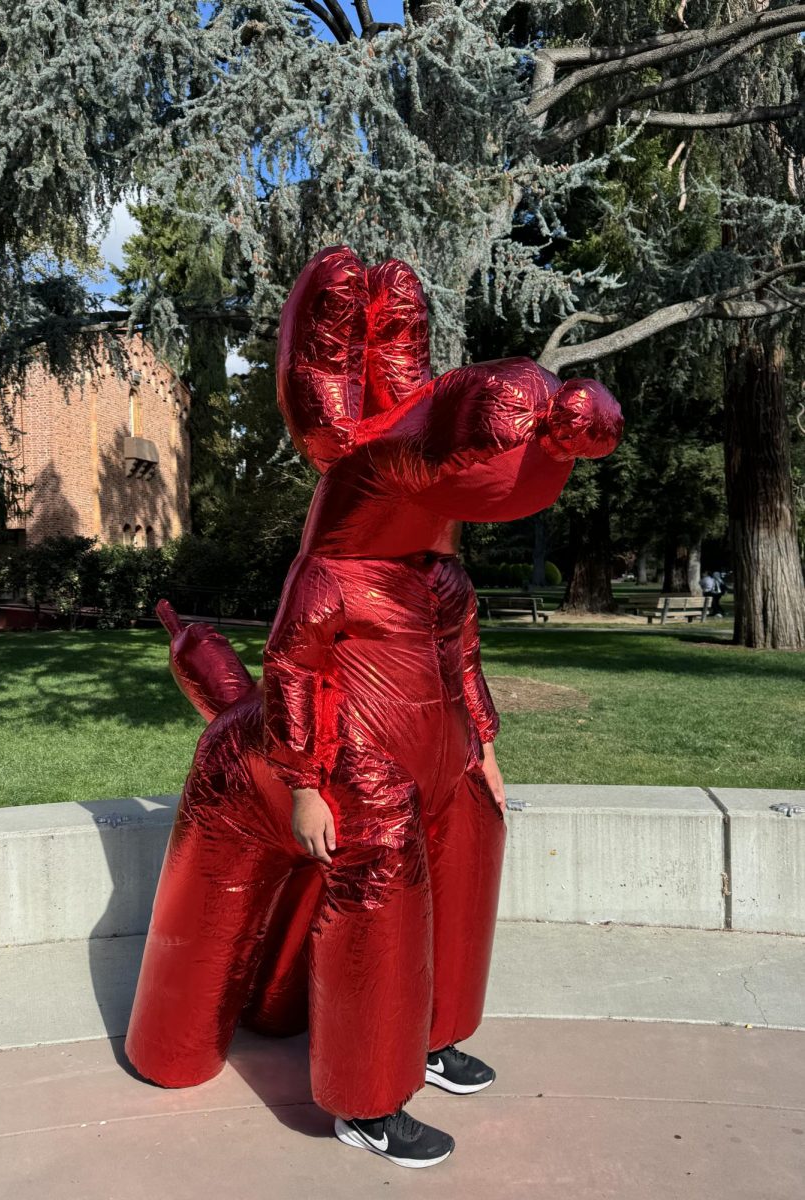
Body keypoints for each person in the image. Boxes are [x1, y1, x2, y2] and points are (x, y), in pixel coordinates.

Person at [123, 246, 623, 1170]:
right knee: (381, 853)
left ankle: (429, 1033)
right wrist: (309, 784)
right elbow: (294, 669)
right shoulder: (335, 577)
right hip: (338, 758)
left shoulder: (436, 578)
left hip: (429, 749)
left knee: (470, 827)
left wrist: (483, 749)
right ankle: (363, 1100)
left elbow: (463, 660)